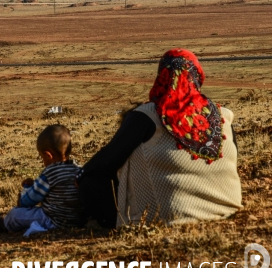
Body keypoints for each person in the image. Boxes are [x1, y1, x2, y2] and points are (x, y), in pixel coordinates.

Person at [77, 48, 242, 227]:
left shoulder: (147, 116)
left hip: (166, 219)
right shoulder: (223, 115)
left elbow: (104, 162)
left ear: (161, 77)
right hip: (228, 211)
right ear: (197, 77)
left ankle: (107, 224)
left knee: (89, 177)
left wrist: (80, 177)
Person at [0, 124, 82, 232]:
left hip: (53, 221)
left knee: (15, 214)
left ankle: (4, 224)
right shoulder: (79, 169)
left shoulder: (49, 173)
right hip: (79, 221)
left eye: (42, 157)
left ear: (48, 155)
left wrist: (26, 189)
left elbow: (27, 201)